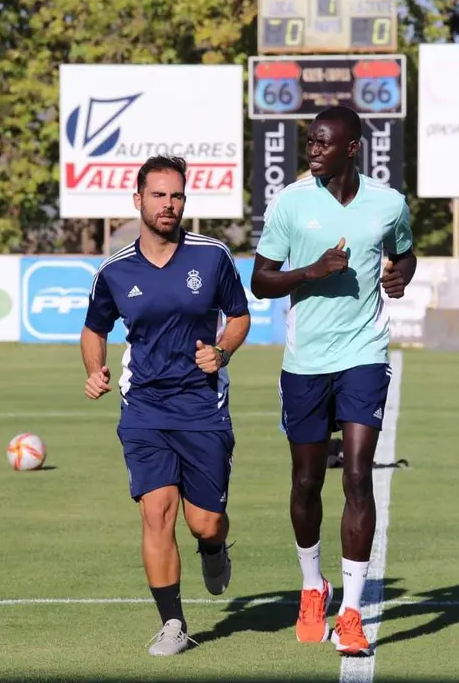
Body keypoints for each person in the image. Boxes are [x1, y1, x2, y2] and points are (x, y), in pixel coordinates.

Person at [250, 105, 417, 656]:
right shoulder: (290, 203)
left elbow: (405, 254)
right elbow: (262, 281)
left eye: (323, 142)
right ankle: (310, 585)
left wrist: (399, 278)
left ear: (351, 148)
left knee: (358, 477)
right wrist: (310, 272)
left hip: (364, 354)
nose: (313, 150)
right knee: (305, 483)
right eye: (310, 142)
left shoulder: (388, 204)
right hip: (305, 361)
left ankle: (350, 612)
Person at [80, 155, 251, 657]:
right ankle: (172, 622)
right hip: (144, 406)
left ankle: (214, 548)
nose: (168, 205)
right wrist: (94, 369)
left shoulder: (213, 256)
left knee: (205, 522)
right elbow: (94, 329)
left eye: (176, 195)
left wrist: (221, 351)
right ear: (138, 200)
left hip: (202, 405)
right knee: (157, 511)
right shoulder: (114, 271)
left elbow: (239, 317)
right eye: (158, 195)